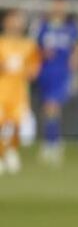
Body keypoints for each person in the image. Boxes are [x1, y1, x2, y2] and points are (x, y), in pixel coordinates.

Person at [36, 0, 78, 166]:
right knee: (49, 109)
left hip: (61, 73)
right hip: (46, 72)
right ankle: (53, 141)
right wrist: (42, 54)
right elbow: (36, 49)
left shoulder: (71, 29)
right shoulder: (43, 27)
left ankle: (52, 145)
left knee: (52, 106)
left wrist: (76, 58)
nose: (58, 9)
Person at [0, 10, 41, 175]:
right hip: (1, 91)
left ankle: (11, 151)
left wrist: (26, 70)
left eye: (18, 21)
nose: (16, 24)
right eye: (13, 21)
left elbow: (34, 68)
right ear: (6, 22)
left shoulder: (29, 45)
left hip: (19, 92)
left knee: (16, 125)